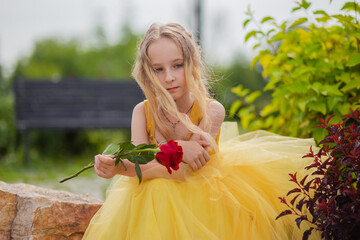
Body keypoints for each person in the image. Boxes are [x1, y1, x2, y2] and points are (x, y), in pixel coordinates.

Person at [83, 23, 320, 239]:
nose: (169, 77)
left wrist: (126, 167)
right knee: (156, 188)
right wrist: (115, 165)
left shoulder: (210, 111)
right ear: (147, 72)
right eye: (158, 69)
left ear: (193, 64)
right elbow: (137, 163)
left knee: (159, 187)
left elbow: (181, 172)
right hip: (155, 200)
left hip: (206, 196)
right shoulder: (141, 112)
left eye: (177, 65)